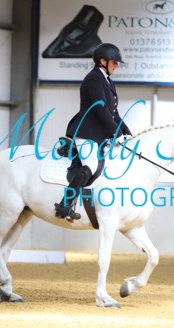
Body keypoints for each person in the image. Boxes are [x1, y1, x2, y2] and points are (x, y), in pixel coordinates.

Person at [54, 43, 132, 222]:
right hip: (87, 133)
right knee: (90, 164)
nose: (116, 66)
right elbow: (100, 110)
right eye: (114, 62)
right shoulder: (93, 79)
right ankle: (65, 204)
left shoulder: (108, 81)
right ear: (102, 61)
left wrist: (127, 133)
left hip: (100, 135)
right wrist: (116, 133)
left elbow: (114, 114)